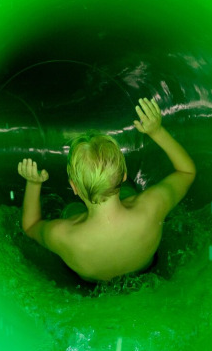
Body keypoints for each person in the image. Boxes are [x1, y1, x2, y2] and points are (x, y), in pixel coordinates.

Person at [17, 98, 196, 282]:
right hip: (146, 273)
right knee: (129, 194)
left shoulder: (64, 235)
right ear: (124, 174)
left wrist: (33, 183)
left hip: (94, 287)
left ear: (74, 187)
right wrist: (156, 131)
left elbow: (30, 226)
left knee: (72, 210)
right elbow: (187, 172)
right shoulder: (152, 207)